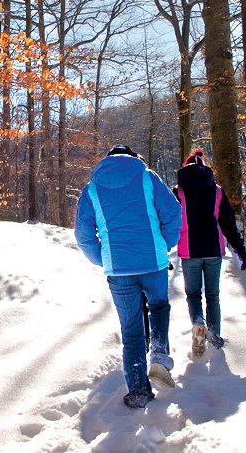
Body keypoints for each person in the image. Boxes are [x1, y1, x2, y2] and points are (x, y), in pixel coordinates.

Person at [75, 144, 182, 409]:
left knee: (131, 329)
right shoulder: (148, 177)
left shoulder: (91, 189)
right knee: (158, 307)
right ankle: (159, 355)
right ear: (134, 158)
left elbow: (84, 236)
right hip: (153, 263)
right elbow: (173, 213)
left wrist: (106, 259)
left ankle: (138, 391)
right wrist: (164, 245)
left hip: (119, 270)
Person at [174, 148, 246, 356]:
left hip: (189, 251)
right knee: (213, 295)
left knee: (193, 294)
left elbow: (169, 223)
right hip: (214, 250)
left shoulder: (178, 192)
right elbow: (228, 224)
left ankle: (198, 323)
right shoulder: (217, 191)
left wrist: (163, 249)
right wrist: (240, 249)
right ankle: (214, 335)